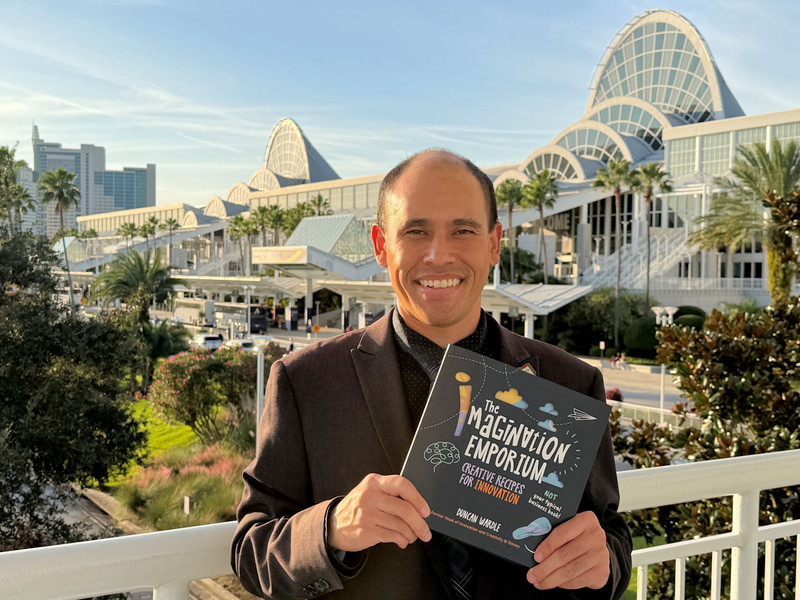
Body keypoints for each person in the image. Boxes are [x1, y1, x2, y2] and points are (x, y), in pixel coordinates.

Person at [231, 150, 631, 599]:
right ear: (382, 246)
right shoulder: (305, 382)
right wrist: (331, 528)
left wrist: (603, 562)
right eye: (416, 231)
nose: (439, 256)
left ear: (494, 244)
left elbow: (610, 536)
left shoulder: (569, 383)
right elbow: (252, 549)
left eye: (463, 231)